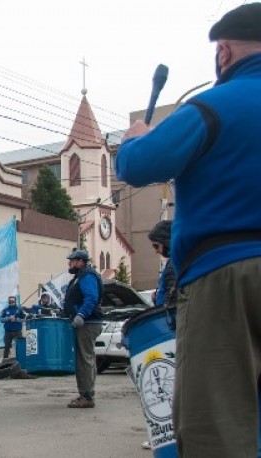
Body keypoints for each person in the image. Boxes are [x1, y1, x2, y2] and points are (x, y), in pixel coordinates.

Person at [116, 4, 261, 455]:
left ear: (224, 51)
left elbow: (137, 165)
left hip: (226, 278)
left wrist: (137, 135)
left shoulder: (214, 106)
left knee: (216, 423)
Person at [62, 249, 103, 409]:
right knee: (86, 358)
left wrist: (81, 314)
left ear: (80, 261)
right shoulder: (80, 276)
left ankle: (86, 396)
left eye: (71, 260)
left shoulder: (87, 275)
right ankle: (86, 393)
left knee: (84, 360)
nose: (69, 263)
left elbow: (91, 297)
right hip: (87, 322)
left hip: (88, 323)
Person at [148, 220, 176, 308]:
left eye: (156, 245)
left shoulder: (174, 264)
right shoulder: (172, 262)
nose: (156, 251)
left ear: (166, 242)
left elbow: (171, 298)